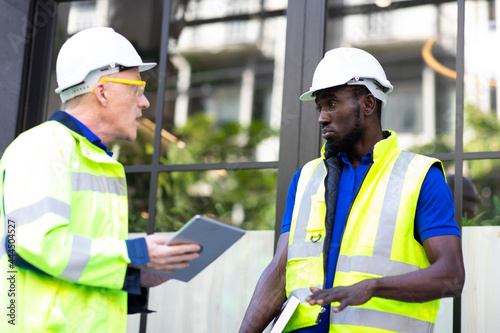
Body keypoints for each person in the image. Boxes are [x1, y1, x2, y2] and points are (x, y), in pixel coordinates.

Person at [239, 47, 465, 333]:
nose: (322, 117)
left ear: (368, 104)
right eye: (320, 106)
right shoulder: (306, 178)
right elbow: (279, 273)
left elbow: (452, 276)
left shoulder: (420, 176)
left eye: (332, 104)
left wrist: (374, 286)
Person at [0, 27, 201, 332]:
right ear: (103, 91)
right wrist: (135, 252)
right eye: (136, 89)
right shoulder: (43, 146)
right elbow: (34, 244)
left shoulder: (98, 162)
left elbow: (76, 262)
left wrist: (136, 272)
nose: (144, 102)